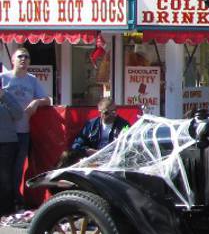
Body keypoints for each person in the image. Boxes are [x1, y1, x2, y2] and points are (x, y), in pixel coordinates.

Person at [1, 47, 52, 209]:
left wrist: (36, 102)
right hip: (4, 132)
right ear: (12, 60)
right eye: (20, 56)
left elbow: (48, 99)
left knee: (18, 170)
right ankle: (6, 203)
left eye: (27, 57)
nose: (24, 59)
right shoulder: (3, 78)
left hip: (23, 132)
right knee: (4, 171)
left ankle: (15, 201)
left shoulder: (32, 80)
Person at [57, 98, 130, 168]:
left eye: (113, 112)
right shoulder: (91, 125)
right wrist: (88, 151)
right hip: (93, 159)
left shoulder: (124, 125)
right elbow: (77, 145)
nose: (111, 115)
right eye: (107, 112)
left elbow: (130, 146)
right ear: (100, 112)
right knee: (66, 155)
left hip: (113, 160)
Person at [0, 86, 23, 217]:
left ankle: (6, 209)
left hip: (7, 143)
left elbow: (18, 114)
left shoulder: (7, 96)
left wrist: (4, 96)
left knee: (5, 178)